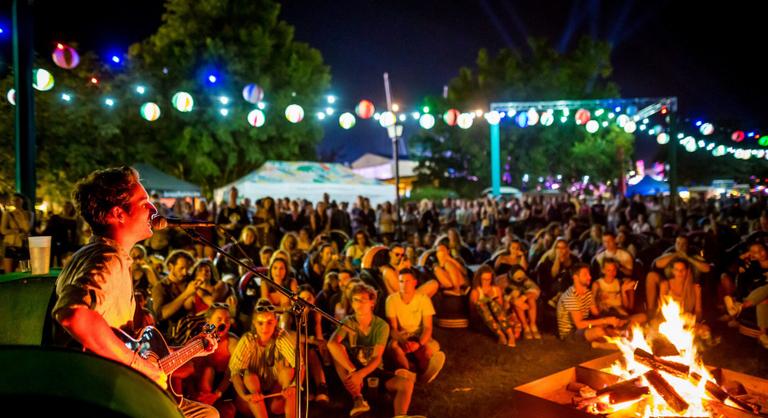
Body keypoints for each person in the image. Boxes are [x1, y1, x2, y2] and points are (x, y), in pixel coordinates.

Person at [51, 166, 218, 417]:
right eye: (144, 203)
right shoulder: (107, 260)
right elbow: (72, 314)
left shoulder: (96, 254)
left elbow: (126, 343)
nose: (153, 209)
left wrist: (192, 348)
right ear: (118, 213)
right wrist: (138, 366)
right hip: (104, 394)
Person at [327, 282, 423, 418]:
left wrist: (361, 374)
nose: (359, 304)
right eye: (355, 300)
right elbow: (331, 344)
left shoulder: (381, 326)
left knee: (406, 384)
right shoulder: (348, 322)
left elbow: (376, 357)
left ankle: (401, 416)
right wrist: (353, 371)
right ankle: (358, 399)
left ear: (372, 303)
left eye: (363, 300)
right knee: (338, 349)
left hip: (373, 372)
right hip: (351, 374)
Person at [230, 299, 297, 418]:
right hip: (252, 398)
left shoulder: (281, 336)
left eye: (269, 322)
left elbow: (299, 364)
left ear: (275, 322)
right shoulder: (248, 340)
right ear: (254, 323)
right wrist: (245, 396)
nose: (265, 328)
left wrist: (292, 386)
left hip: (273, 397)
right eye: (260, 323)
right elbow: (235, 373)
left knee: (288, 373)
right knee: (250, 377)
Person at [385, 268, 446, 384]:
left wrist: (418, 343)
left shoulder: (423, 299)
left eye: (407, 281)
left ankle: (424, 372)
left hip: (418, 334)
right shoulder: (391, 300)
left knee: (428, 349)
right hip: (402, 335)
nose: (404, 285)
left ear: (415, 282)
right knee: (393, 346)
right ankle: (409, 374)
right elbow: (393, 329)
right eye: (401, 281)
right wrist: (403, 341)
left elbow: (428, 327)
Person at [556, 263, 626, 347]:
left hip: (585, 328)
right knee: (599, 331)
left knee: (613, 330)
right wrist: (606, 320)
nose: (589, 277)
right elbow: (579, 324)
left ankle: (599, 344)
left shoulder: (587, 293)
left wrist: (614, 320)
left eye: (589, 274)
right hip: (570, 333)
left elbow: (596, 314)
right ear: (575, 277)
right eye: (585, 274)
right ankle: (600, 345)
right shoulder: (570, 296)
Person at [469, 265, 517, 347]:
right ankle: (500, 334)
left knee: (494, 304)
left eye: (488, 279)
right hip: (483, 319)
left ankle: (510, 335)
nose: (486, 282)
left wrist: (493, 300)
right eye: (484, 279)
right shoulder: (476, 291)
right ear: (479, 279)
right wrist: (483, 301)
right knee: (481, 305)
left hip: (497, 317)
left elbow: (500, 308)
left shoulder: (496, 289)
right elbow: (472, 310)